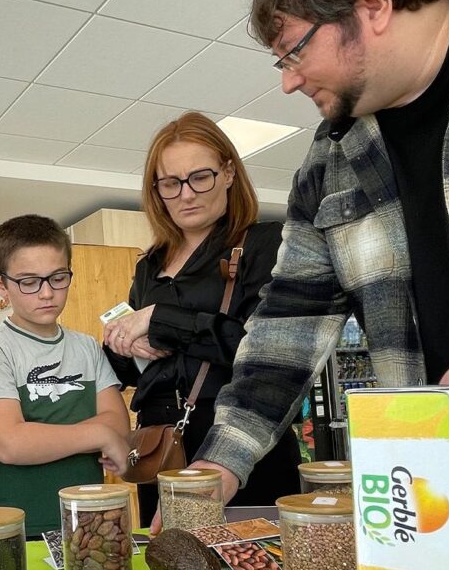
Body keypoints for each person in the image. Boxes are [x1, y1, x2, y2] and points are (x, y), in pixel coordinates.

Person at [189, 0, 449, 501]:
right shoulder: (330, 160)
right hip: (448, 489)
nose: (288, 82)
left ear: (373, 5)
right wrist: (221, 461)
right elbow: (288, 325)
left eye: (293, 52)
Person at [102, 112, 300, 526]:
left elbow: (261, 349)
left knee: (249, 558)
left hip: (240, 435)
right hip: (159, 444)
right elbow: (136, 372)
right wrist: (122, 344)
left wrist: (160, 319)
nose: (186, 194)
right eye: (171, 183)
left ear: (228, 173)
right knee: (168, 558)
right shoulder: (149, 266)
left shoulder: (264, 244)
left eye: (200, 177)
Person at [0, 215, 130, 538]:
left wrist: (37, 436)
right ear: (1, 285)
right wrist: (98, 434)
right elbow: (10, 444)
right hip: (20, 520)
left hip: (91, 515)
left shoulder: (87, 347)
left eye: (58, 278)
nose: (47, 293)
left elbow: (118, 426)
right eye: (29, 282)